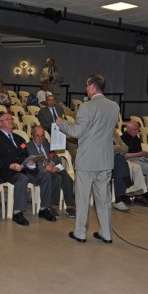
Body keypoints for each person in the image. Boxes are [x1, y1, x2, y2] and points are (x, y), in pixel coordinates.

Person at [56, 75, 119, 244]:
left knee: (83, 199)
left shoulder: (86, 107)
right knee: (104, 200)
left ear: (92, 87)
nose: (86, 88)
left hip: (87, 160)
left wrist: (61, 123)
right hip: (105, 160)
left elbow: (76, 132)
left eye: (86, 85)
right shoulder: (114, 106)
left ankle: (80, 233)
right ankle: (106, 233)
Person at [0, 113, 58, 225]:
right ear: (0, 123)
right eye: (7, 119)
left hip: (24, 168)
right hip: (8, 171)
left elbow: (24, 154)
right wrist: (10, 165)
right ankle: (17, 212)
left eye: (11, 119)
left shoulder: (19, 138)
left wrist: (30, 162)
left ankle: (44, 208)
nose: (11, 121)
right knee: (22, 178)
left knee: (46, 175)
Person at [27, 125, 76, 218]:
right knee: (57, 178)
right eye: (38, 136)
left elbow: (56, 157)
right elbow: (31, 163)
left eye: (42, 136)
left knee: (66, 177)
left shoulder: (47, 145)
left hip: (52, 167)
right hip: (41, 171)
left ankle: (69, 206)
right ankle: (52, 206)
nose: (40, 138)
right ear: (32, 136)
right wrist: (45, 167)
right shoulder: (29, 147)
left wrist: (52, 164)